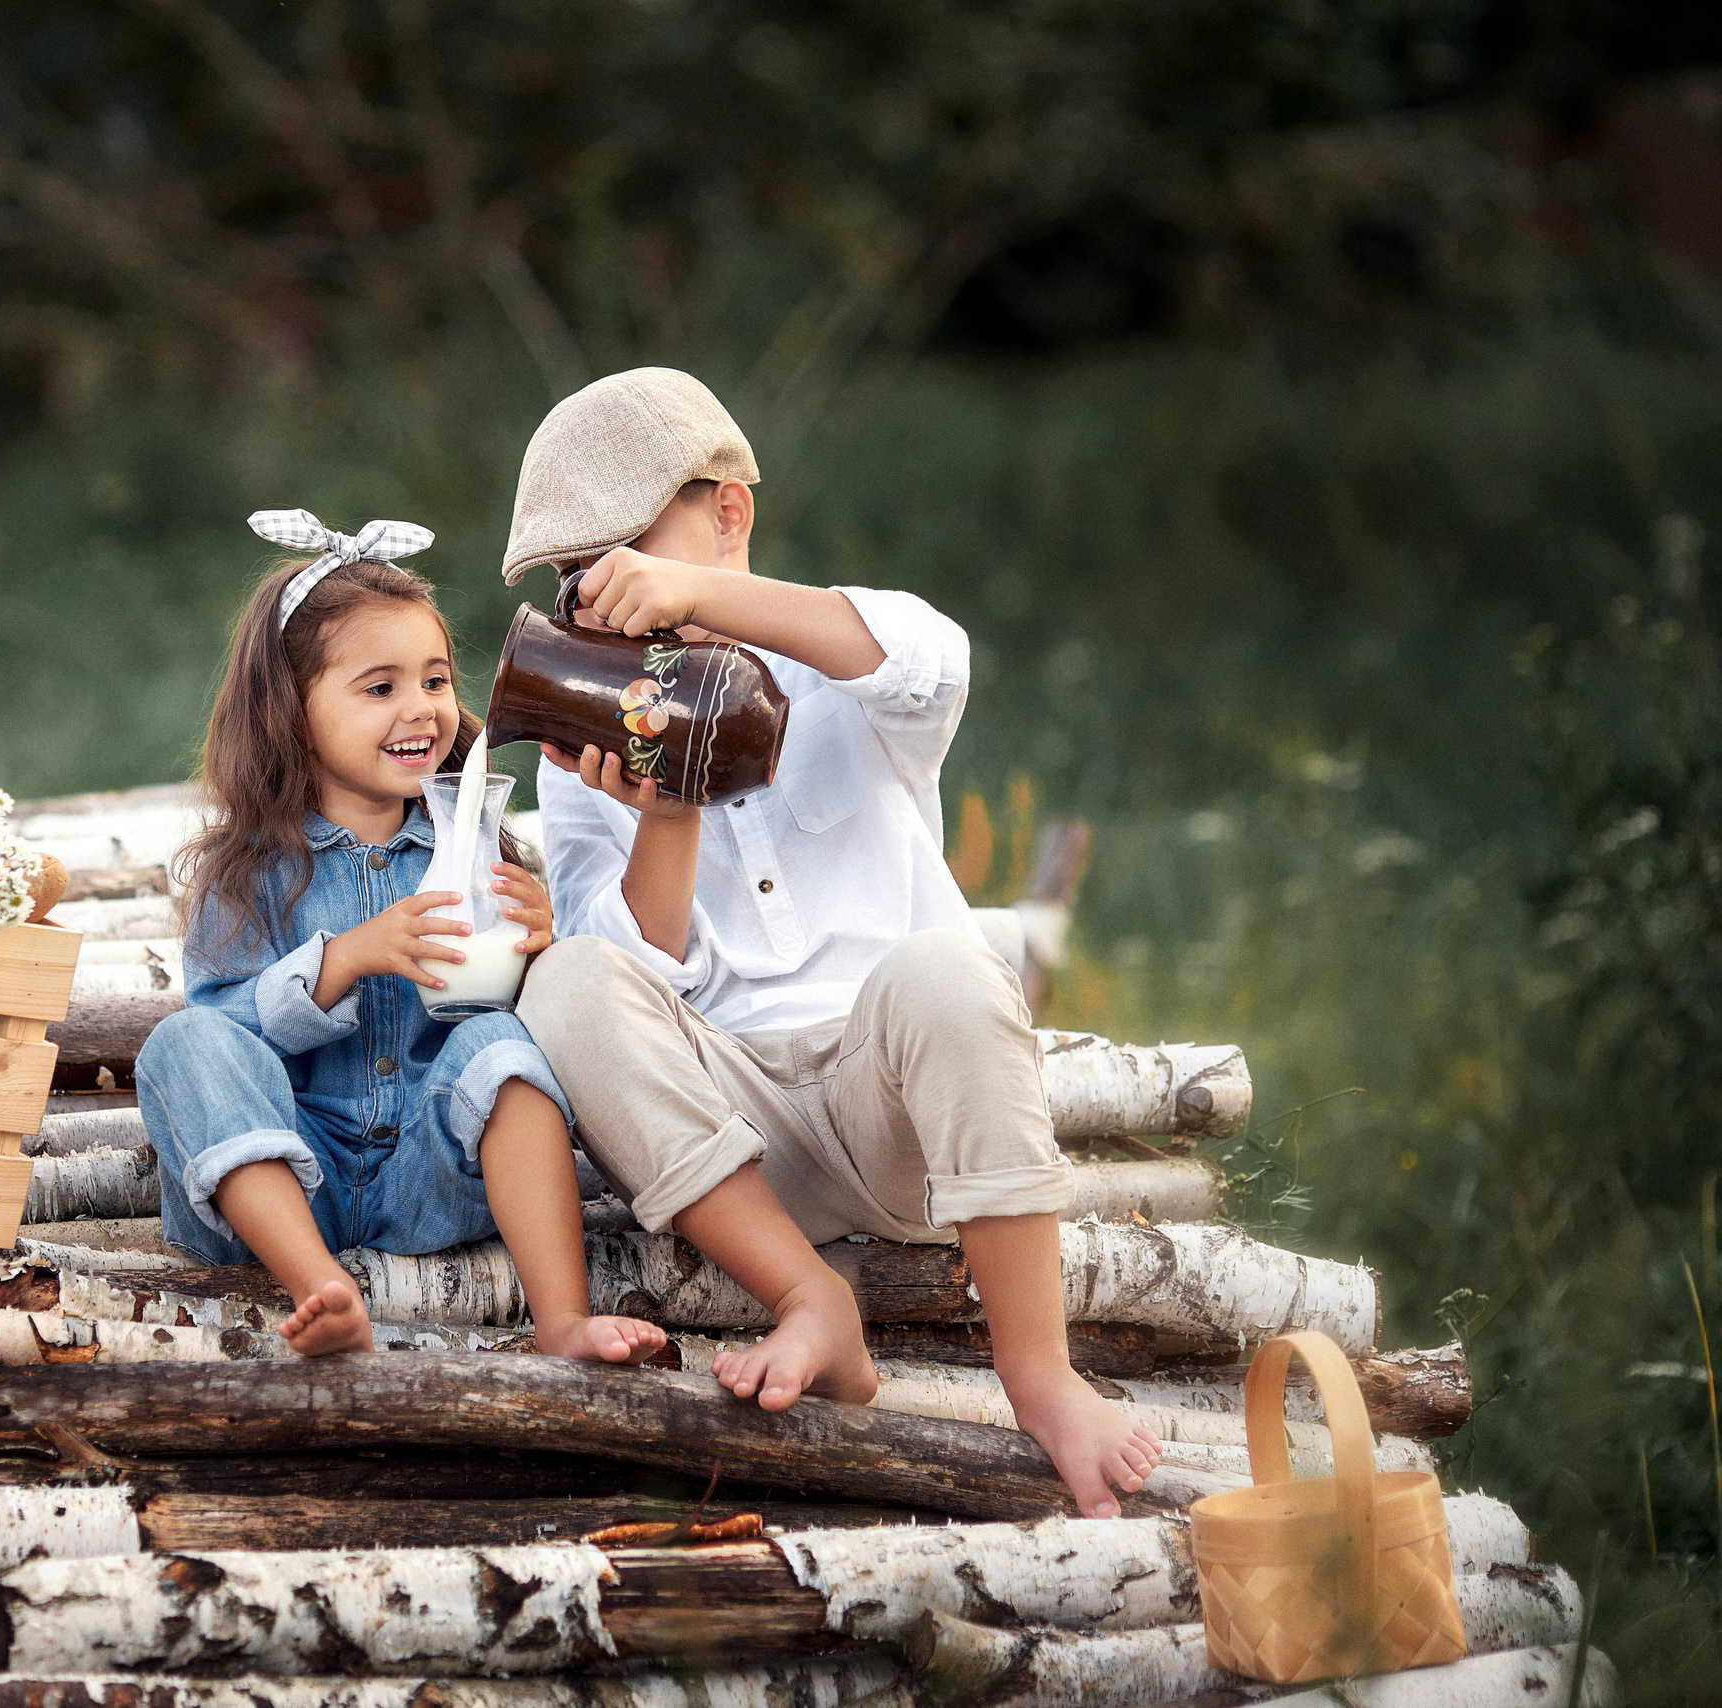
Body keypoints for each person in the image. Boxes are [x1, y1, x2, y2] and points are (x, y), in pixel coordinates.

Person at [505, 370, 1162, 1517]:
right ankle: (810, 1296)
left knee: (953, 963)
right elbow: (634, 975)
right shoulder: (588, 761)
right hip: (733, 1150)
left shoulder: (840, 666)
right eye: (579, 579)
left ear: (727, 515)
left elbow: (931, 654)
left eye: (626, 555)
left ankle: (1040, 1372)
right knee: (565, 980)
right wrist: (666, 806)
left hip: (891, 1109)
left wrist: (697, 604)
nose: (605, 597)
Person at [135, 508, 668, 1366]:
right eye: (379, 688)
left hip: (431, 1176)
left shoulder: (474, 849)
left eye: (434, 680)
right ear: (289, 712)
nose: (421, 709)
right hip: (285, 1179)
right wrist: (346, 959)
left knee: (501, 1041)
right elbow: (224, 1039)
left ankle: (562, 1317)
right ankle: (323, 1291)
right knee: (181, 1042)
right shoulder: (248, 870)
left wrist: (540, 951)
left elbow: (508, 1044)